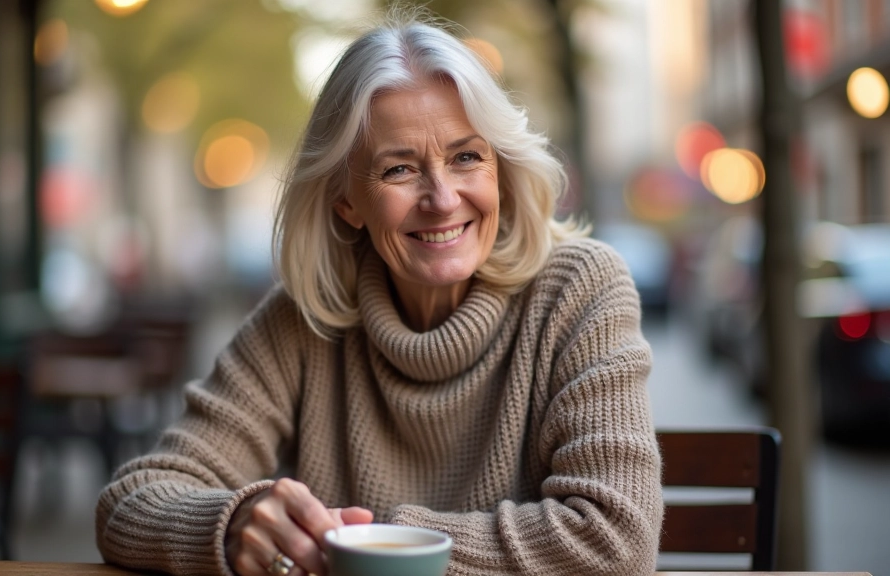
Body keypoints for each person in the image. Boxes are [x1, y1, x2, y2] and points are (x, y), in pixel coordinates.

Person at [96, 13, 663, 576]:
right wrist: (233, 522)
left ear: (501, 171)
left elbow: (616, 538)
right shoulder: (306, 319)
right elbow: (129, 502)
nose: (442, 199)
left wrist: (376, 542)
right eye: (398, 169)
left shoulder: (580, 289)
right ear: (346, 200)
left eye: (467, 157)